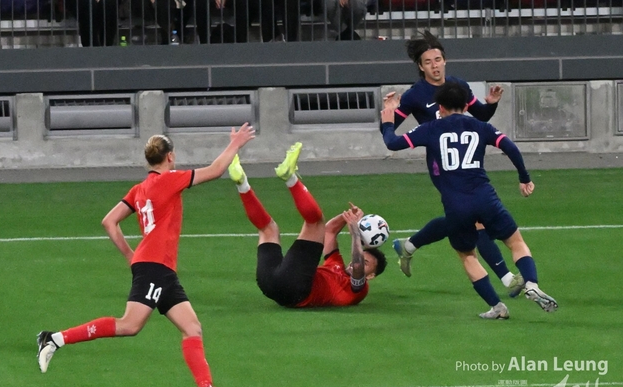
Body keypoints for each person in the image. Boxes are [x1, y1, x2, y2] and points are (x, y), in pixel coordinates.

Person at [36, 124, 256, 387]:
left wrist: (131, 255)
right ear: (170, 157)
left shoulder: (139, 189)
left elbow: (109, 221)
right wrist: (236, 144)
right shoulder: (171, 180)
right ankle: (54, 339)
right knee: (129, 325)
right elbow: (215, 170)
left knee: (192, 327)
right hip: (155, 266)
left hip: (159, 268)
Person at [380, 81, 558, 318]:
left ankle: (497, 307)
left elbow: (392, 142)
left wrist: (388, 120)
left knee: (467, 256)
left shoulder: (430, 128)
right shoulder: (480, 126)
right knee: (516, 243)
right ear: (466, 106)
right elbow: (511, 148)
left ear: (440, 107)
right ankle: (532, 284)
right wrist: (524, 178)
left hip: (456, 205)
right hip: (485, 197)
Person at [383, 30, 524, 300]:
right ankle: (508, 278)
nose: (434, 66)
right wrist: (387, 115)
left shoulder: (458, 86)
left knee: (460, 218)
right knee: (475, 219)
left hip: (466, 162)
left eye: (437, 60)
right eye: (428, 62)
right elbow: (390, 129)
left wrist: (491, 105)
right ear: (421, 67)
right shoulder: (415, 95)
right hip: (442, 166)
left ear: (445, 60)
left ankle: (409, 245)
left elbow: (480, 115)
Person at [227, 142, 387, 307]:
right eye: (361, 259)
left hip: (296, 289)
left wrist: (355, 233)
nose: (355, 262)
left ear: (370, 276)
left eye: (366, 264)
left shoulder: (358, 289)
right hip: (270, 285)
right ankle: (242, 184)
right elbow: (329, 231)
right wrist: (347, 217)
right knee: (268, 229)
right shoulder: (335, 264)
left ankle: (290, 178)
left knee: (315, 222)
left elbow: (357, 264)